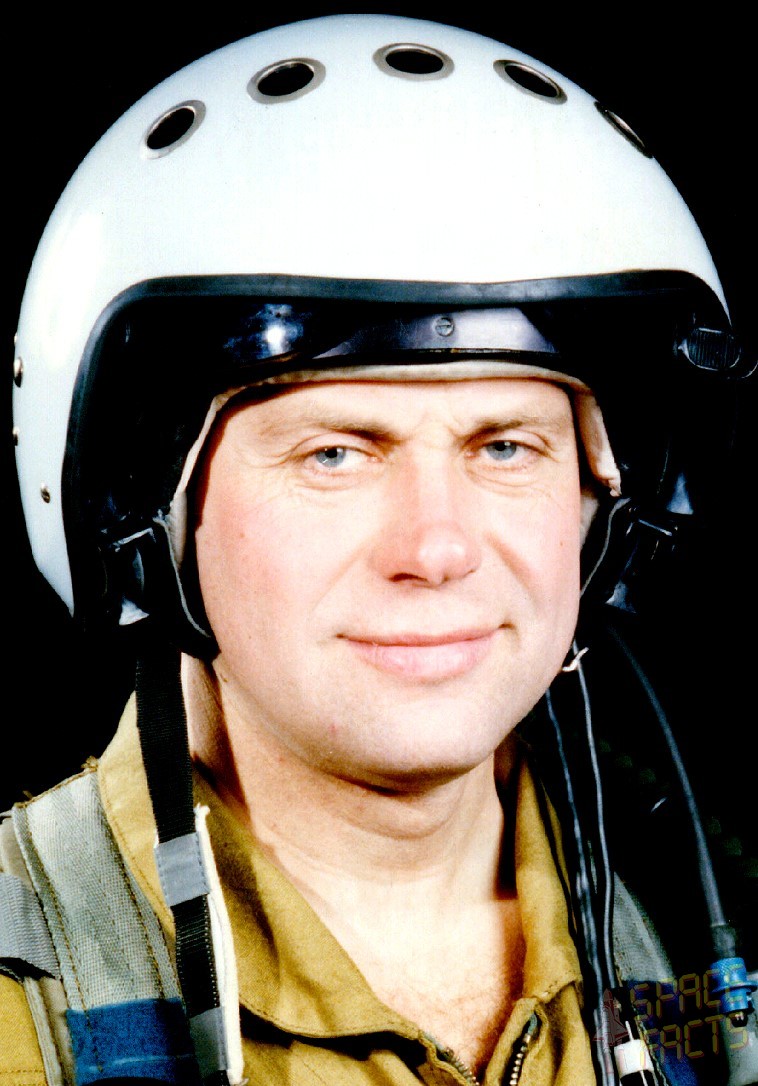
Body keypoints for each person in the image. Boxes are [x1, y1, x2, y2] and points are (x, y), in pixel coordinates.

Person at [2, 13, 755, 1086]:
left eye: (505, 446)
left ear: (604, 505)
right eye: (335, 455)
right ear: (140, 514)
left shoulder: (712, 938)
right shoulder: (19, 997)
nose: (437, 549)